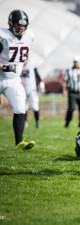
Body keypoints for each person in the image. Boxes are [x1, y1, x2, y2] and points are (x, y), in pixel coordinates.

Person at [0, 10, 35, 150]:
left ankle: (19, 142)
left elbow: (24, 56)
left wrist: (20, 66)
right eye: (17, 24)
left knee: (21, 108)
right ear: (11, 23)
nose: (21, 27)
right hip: (0, 76)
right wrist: (4, 67)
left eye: (23, 24)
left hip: (13, 80)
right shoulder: (3, 36)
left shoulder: (29, 36)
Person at [21, 60, 45, 128]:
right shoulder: (19, 65)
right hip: (22, 90)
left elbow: (38, 77)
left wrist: (42, 87)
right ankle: (24, 122)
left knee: (35, 106)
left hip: (32, 90)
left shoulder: (32, 66)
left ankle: (37, 122)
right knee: (23, 107)